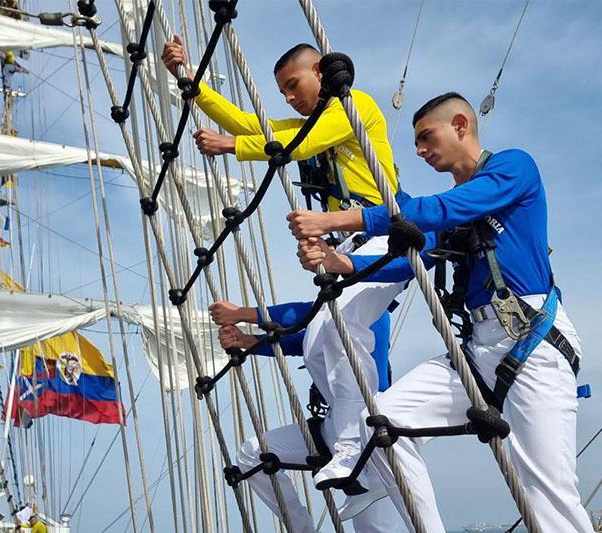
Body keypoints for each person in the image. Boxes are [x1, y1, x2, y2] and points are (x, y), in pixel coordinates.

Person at [291, 92, 593, 532]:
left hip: (532, 344)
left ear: (460, 125)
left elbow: (438, 210)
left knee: (548, 496)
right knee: (381, 422)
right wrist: (345, 264)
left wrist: (338, 221)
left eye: (426, 137)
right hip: (475, 352)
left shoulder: (513, 167)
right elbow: (413, 253)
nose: (419, 150)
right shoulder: (450, 213)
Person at [162, 37, 414, 498]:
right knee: (328, 334)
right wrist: (190, 81)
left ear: (319, 71)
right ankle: (353, 442)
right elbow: (248, 120)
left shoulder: (351, 106)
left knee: (327, 334)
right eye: (282, 92)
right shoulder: (313, 118)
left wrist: (232, 146)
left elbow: (295, 145)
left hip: (378, 229)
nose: (289, 98)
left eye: (293, 85)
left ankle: (357, 441)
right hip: (344, 243)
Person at [214, 301, 405, 532]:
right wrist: (248, 341)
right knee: (252, 454)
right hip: (335, 426)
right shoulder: (328, 315)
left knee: (373, 526)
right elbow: (305, 339)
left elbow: (313, 314)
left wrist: (242, 314)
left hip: (373, 431)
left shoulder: (373, 305)